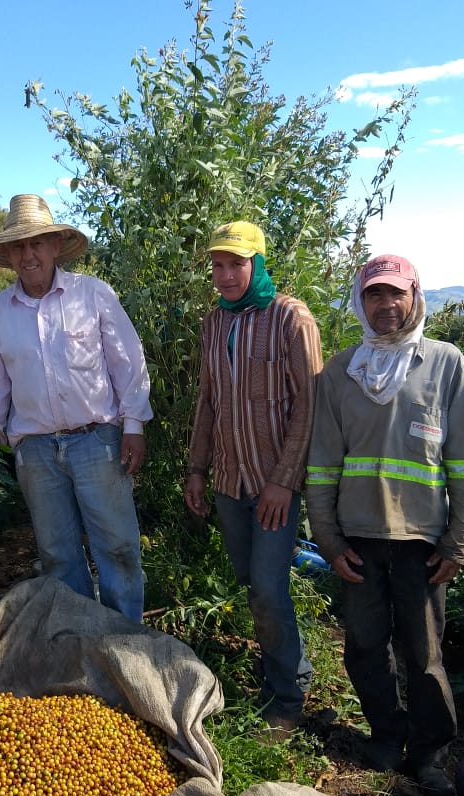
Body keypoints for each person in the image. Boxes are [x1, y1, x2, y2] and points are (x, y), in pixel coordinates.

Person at [305, 252, 464, 796]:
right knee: (363, 646)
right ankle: (386, 735)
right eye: (374, 295)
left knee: (424, 654)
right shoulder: (340, 372)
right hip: (357, 538)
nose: (386, 305)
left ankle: (429, 753)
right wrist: (328, 540)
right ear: (361, 304)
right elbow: (321, 465)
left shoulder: (446, 364)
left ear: (414, 298)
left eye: (396, 294)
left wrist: (460, 539)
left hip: (422, 542)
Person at [0, 194, 152, 622]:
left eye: (37, 243)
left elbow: (128, 361)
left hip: (97, 441)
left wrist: (134, 425)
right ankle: (80, 641)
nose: (28, 254)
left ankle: (126, 642)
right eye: (19, 246)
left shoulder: (92, 295)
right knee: (57, 555)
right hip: (35, 451)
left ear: (56, 246)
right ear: (9, 256)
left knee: (118, 547)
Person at [184, 221, 324, 739]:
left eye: (235, 264)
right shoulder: (214, 323)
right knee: (252, 583)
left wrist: (284, 481)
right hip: (228, 479)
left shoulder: (290, 318)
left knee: (266, 588)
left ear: (257, 264)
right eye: (217, 265)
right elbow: (208, 401)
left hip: (273, 488)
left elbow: (310, 405)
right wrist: (197, 470)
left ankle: (289, 697)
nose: (224, 275)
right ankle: (289, 663)